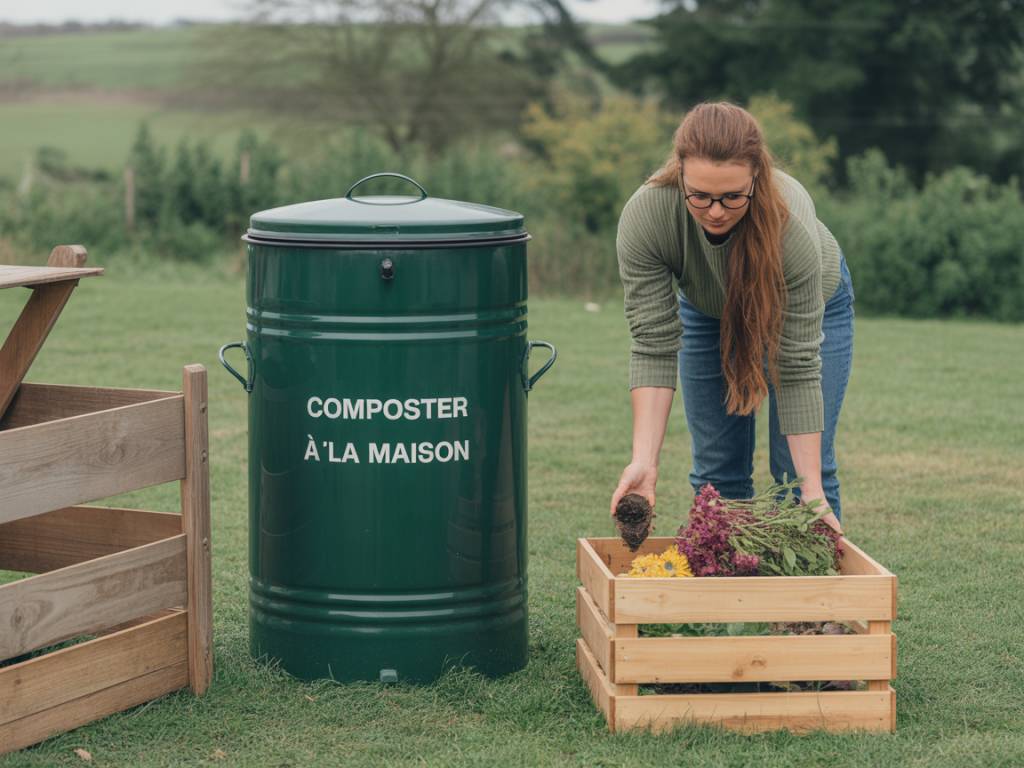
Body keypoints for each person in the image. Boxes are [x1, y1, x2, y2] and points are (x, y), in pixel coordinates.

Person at [609, 102, 854, 534]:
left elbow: (796, 369)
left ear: (756, 176)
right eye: (700, 196)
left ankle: (809, 573)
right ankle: (727, 577)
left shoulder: (790, 227)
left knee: (795, 484)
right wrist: (644, 461)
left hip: (809, 307)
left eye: (733, 197)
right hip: (708, 312)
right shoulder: (648, 215)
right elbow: (653, 345)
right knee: (716, 479)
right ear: (679, 174)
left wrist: (811, 489)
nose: (716, 211)